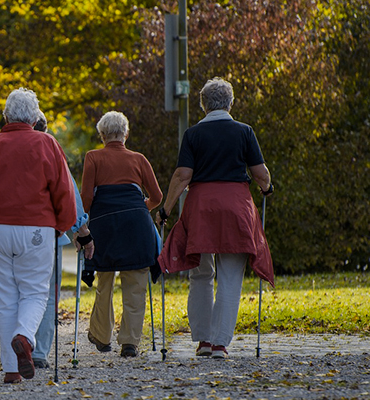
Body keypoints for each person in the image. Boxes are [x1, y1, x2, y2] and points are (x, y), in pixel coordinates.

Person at [0, 88, 77, 384]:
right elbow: (64, 191)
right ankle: (25, 336)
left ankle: (11, 369)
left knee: (6, 297)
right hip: (36, 228)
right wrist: (62, 225)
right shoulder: (47, 143)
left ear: (6, 116)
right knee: (35, 292)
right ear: (35, 117)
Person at [156, 77, 274, 359]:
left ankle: (204, 341)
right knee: (231, 275)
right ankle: (221, 343)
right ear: (230, 103)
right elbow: (260, 173)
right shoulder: (244, 131)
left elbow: (183, 176)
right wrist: (267, 188)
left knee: (200, 273)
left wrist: (166, 209)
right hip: (236, 207)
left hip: (201, 208)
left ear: (203, 105)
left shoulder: (193, 134)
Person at [80, 111, 163, 358]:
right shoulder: (139, 159)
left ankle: (102, 336)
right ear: (126, 134)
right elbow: (157, 197)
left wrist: (83, 225)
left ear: (102, 135)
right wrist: (138, 209)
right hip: (136, 227)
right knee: (136, 284)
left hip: (104, 226)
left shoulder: (92, 157)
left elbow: (86, 199)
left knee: (104, 281)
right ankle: (129, 343)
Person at [32, 111, 94, 369]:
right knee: (47, 295)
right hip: (50, 235)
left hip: (10, 233)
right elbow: (69, 196)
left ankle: (19, 344)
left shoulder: (2, 148)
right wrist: (83, 233)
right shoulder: (52, 150)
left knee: (19, 293)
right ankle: (40, 352)